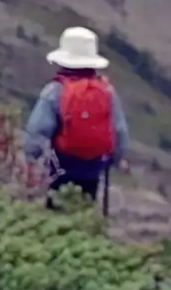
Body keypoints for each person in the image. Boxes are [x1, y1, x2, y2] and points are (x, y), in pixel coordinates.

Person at [22, 26, 128, 208]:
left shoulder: (55, 91)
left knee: (56, 212)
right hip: (94, 168)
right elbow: (119, 130)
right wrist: (118, 158)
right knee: (85, 208)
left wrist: (31, 157)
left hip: (62, 166)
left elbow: (37, 130)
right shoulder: (106, 91)